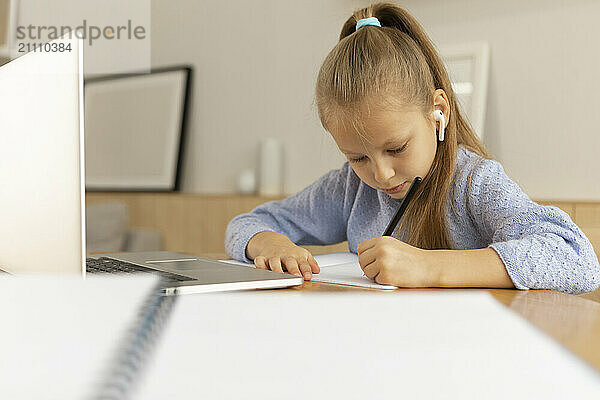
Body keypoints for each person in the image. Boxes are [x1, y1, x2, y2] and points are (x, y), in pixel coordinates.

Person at [225, 2, 600, 294]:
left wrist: (429, 267)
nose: (380, 174)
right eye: (358, 158)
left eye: (397, 148)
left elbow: (576, 258)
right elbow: (246, 224)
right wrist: (269, 243)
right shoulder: (351, 189)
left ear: (438, 113)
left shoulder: (474, 183)